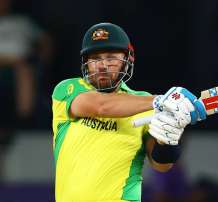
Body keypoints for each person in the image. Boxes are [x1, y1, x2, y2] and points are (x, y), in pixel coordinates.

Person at [51, 22, 206, 202]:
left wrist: (168, 138)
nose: (102, 65)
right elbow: (100, 106)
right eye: (95, 58)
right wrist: (160, 100)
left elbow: (161, 165)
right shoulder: (68, 89)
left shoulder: (144, 104)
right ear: (86, 62)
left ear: (127, 61)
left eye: (111, 57)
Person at [0, 0, 51, 182]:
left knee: (24, 71)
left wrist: (40, 62)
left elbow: (45, 42)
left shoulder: (22, 22)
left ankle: (22, 114)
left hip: (18, 69)